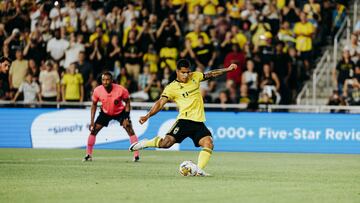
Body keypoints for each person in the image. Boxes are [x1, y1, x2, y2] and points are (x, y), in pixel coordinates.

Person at [129, 59, 237, 176]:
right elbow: (160, 103)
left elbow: (211, 73)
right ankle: (146, 143)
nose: (186, 75)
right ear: (177, 71)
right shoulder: (171, 88)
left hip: (198, 122)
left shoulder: (195, 76)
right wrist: (148, 115)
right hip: (184, 121)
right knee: (166, 144)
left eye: (187, 72)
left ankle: (198, 170)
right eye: (183, 72)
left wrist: (227, 69)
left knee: (208, 143)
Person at [83, 71, 140, 162]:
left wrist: (126, 117)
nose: (105, 82)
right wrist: (92, 121)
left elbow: (128, 102)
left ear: (112, 80)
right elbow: (93, 105)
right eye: (103, 80)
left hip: (120, 112)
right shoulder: (97, 90)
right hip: (105, 113)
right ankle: (88, 154)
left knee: (129, 128)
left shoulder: (121, 90)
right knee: (93, 130)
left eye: (107, 80)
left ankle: (136, 155)